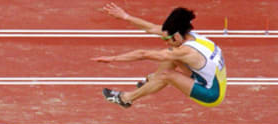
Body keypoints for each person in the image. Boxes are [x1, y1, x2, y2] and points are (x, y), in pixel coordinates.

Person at [92, 3, 227, 108]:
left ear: (177, 35)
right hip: (206, 78)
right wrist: (125, 16)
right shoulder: (190, 36)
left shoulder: (187, 52)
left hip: (211, 95)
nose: (165, 41)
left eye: (166, 39)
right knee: (170, 55)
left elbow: (143, 54)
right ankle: (153, 80)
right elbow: (151, 28)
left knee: (167, 75)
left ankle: (125, 99)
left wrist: (113, 59)